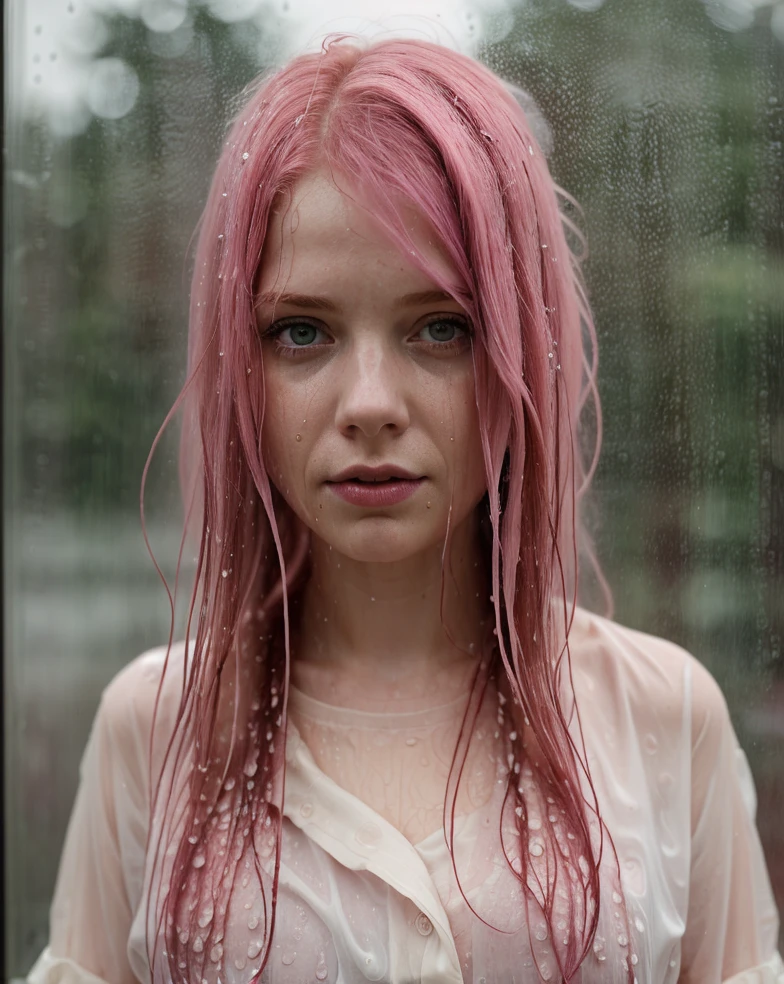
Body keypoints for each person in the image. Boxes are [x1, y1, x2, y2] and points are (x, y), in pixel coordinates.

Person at [27, 34, 782, 984]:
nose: (371, 402)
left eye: (441, 329)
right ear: (240, 367)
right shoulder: (155, 728)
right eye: (302, 331)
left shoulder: (664, 719)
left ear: (519, 345)